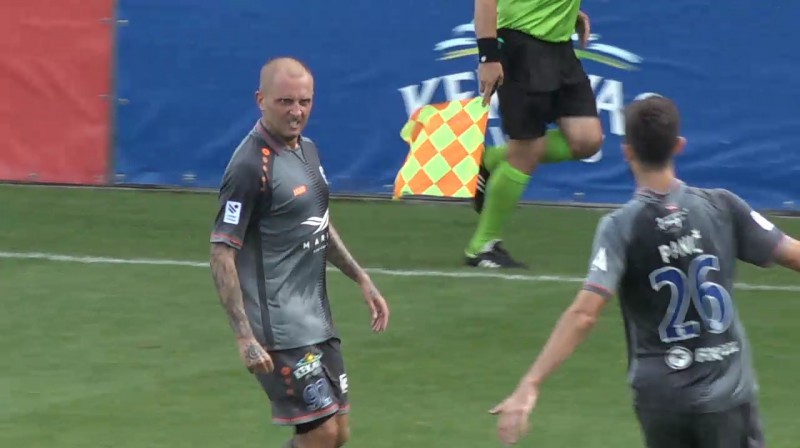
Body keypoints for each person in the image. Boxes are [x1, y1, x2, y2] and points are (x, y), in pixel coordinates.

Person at [489, 96, 800, 447]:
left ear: (627, 152)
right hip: (726, 397)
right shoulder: (722, 206)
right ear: (678, 146)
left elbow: (584, 314)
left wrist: (530, 384)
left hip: (661, 398)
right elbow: (794, 256)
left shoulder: (620, 226)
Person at [208, 57, 390, 448]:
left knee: (338, 433)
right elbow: (221, 252)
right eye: (285, 101)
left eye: (304, 101)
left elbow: (317, 222)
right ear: (261, 100)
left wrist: (360, 277)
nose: (296, 112)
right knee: (320, 433)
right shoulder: (249, 166)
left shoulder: (308, 150)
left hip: (316, 320)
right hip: (277, 328)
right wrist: (244, 337)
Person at [465, 0, 604, 268]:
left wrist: (567, 12)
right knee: (527, 150)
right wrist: (488, 57)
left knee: (587, 139)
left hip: (559, 46)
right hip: (520, 46)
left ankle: (490, 160)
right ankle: (481, 246)